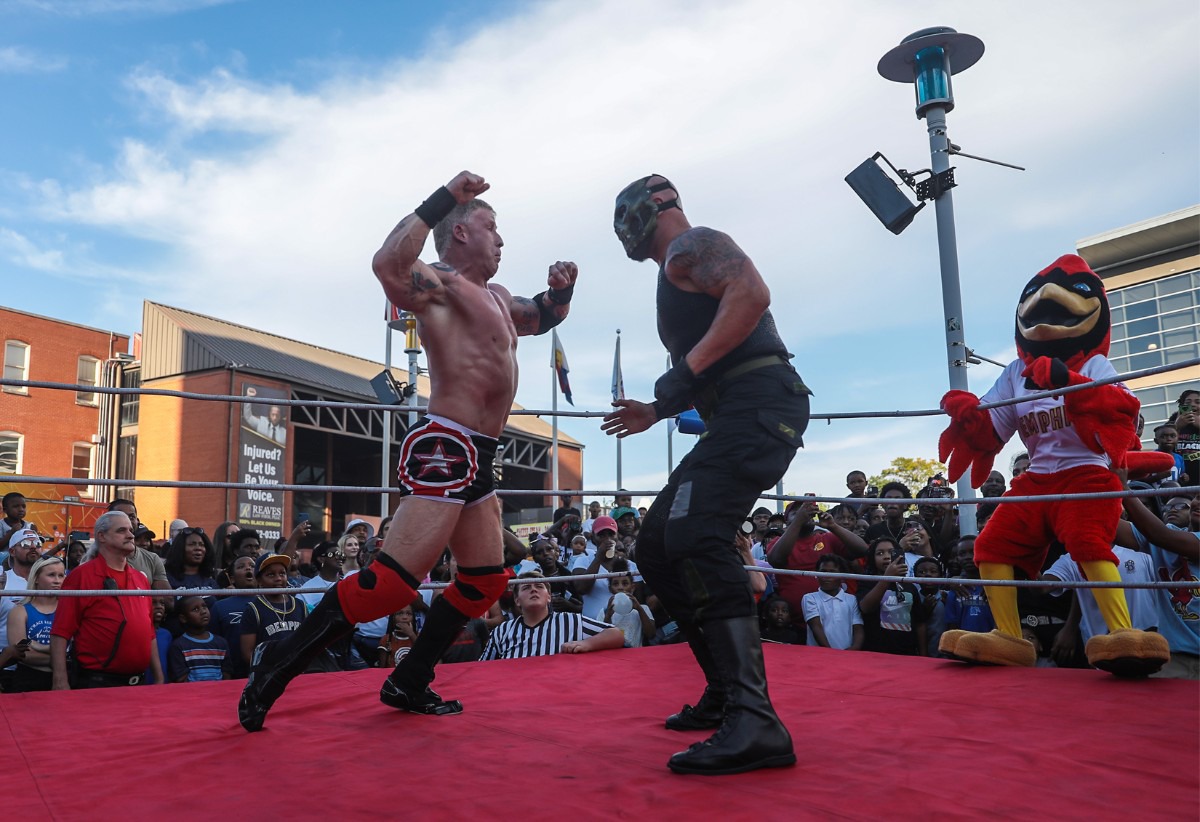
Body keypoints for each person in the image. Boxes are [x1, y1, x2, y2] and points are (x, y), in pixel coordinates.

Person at [239, 170, 577, 731]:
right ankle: (276, 666)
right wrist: (444, 198)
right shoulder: (440, 284)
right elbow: (387, 266)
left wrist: (562, 289)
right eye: (491, 228)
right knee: (391, 583)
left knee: (485, 581)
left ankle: (409, 678)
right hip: (446, 444)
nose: (501, 240)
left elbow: (542, 317)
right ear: (462, 232)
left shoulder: (495, 298)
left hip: (481, 452)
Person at [601, 174, 810, 775]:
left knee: (695, 535)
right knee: (658, 545)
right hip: (738, 411)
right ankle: (726, 690)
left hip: (760, 404)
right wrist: (658, 408)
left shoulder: (692, 245)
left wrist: (678, 378)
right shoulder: (680, 264)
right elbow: (712, 357)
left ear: (642, 214)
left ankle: (756, 719)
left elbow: (751, 295)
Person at [49, 511, 164, 689]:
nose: (131, 535)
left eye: (131, 530)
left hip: (138, 684)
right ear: (101, 536)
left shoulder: (140, 578)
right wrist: (60, 680)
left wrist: (159, 678)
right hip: (97, 684)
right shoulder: (81, 576)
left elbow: (149, 631)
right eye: (122, 530)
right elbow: (60, 632)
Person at [480, 572, 623, 660]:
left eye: (539, 586)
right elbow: (482, 667)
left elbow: (617, 635)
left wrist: (587, 644)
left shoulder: (571, 621)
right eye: (526, 587)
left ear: (548, 597)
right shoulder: (502, 631)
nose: (533, 590)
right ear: (517, 600)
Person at [6, 555, 65, 692]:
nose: (57, 581)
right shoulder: (20, 611)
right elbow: (22, 652)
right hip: (28, 681)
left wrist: (37, 646)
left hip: (66, 679)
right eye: (51, 575)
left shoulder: (68, 610)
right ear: (36, 578)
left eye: (61, 575)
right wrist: (60, 657)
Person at [801, 555, 864, 651]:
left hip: (847, 656)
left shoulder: (851, 599)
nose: (827, 576)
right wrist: (831, 653)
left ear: (842, 576)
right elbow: (816, 627)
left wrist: (854, 649)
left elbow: (858, 628)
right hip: (819, 654)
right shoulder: (810, 598)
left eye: (832, 572)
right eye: (823, 572)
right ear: (817, 574)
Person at [169, 595, 230, 682]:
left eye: (204, 606)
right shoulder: (179, 646)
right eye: (195, 609)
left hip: (218, 693)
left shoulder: (221, 643)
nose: (203, 611)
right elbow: (181, 679)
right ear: (183, 618)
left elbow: (227, 675)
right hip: (192, 694)